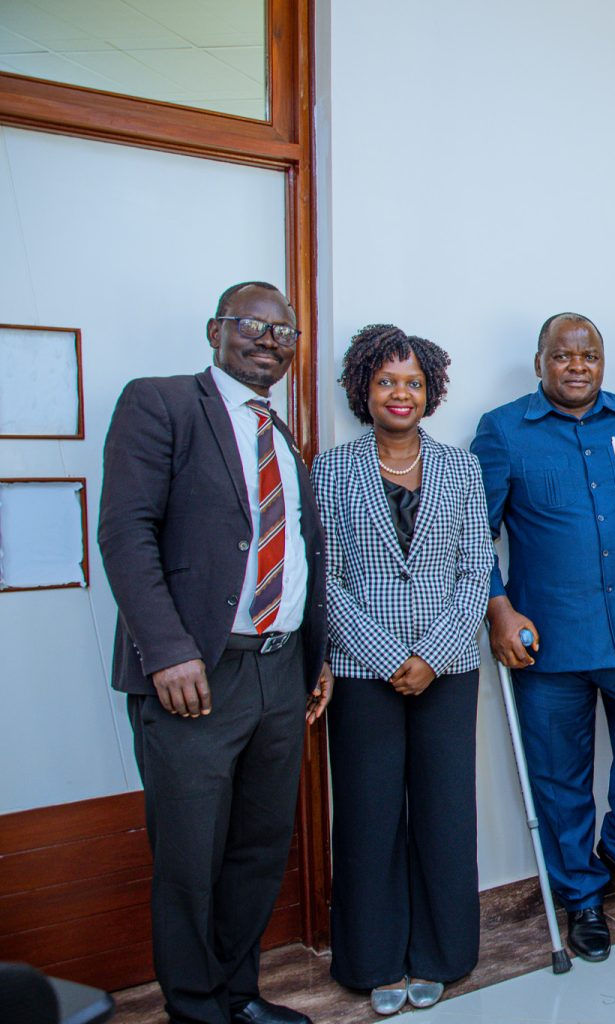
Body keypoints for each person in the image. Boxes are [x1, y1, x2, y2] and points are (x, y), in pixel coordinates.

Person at [98, 281, 332, 1024]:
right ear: (215, 330)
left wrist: (317, 656)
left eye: (283, 332)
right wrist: (167, 651)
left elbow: (297, 554)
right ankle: (195, 1010)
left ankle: (238, 995)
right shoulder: (161, 403)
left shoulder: (281, 433)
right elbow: (125, 532)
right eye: (250, 324)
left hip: (279, 673)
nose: (268, 340)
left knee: (258, 848)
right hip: (196, 675)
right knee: (190, 857)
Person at [471, 313, 615, 964]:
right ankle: (581, 895)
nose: (578, 366)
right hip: (546, 642)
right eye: (563, 356)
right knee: (559, 778)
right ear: (540, 363)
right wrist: (500, 612)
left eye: (589, 355)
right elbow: (474, 534)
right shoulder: (503, 430)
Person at [314, 325, 492, 1014]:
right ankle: (374, 959)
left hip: (449, 667)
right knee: (369, 815)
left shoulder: (461, 468)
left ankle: (443, 953)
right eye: (387, 380)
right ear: (364, 388)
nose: (400, 393)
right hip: (364, 672)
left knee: (446, 813)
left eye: (413, 382)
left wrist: (432, 656)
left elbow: (477, 569)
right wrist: (392, 659)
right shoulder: (332, 470)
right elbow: (325, 580)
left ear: (430, 391)